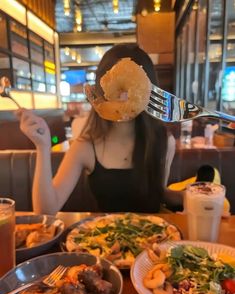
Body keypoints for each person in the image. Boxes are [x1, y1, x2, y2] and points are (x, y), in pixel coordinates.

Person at [16, 43, 182, 215]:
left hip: (156, 238)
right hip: (104, 239)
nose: (124, 95)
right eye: (116, 85)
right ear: (101, 89)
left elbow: (160, 193)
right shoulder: (85, 146)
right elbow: (46, 210)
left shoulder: (164, 141)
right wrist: (42, 147)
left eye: (134, 85)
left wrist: (191, 197)